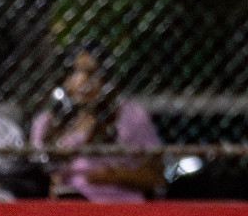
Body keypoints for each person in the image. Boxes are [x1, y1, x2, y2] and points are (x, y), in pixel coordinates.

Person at [30, 42, 164, 201]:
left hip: (117, 206)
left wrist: (114, 174)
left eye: (92, 73)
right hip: (66, 209)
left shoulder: (129, 115)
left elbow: (156, 176)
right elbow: (36, 173)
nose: (82, 82)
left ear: (106, 78)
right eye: (75, 73)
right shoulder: (46, 122)